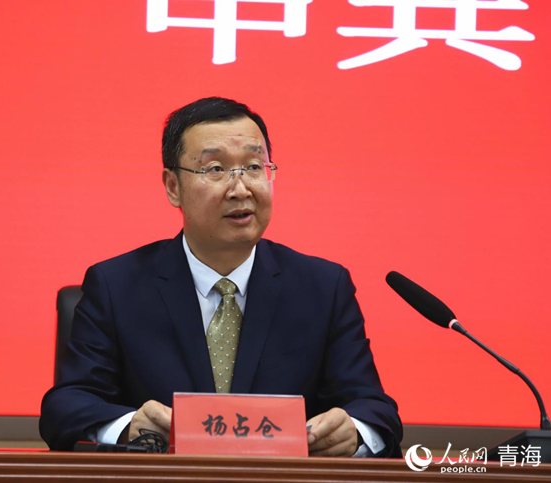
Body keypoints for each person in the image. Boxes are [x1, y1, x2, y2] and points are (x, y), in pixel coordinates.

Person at [40, 97, 403, 457]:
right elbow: (66, 406)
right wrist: (129, 427)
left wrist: (355, 432)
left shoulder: (323, 287)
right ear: (173, 186)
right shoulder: (115, 286)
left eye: (254, 167)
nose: (241, 189)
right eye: (215, 169)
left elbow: (375, 409)